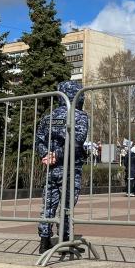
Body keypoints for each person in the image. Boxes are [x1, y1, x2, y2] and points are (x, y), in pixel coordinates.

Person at [36, 81, 89, 253]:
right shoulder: (79, 116)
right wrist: (56, 155)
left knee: (49, 204)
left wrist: (47, 155)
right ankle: (64, 240)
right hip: (70, 169)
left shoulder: (49, 116)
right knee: (66, 205)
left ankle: (44, 242)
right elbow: (77, 142)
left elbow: (38, 140)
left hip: (51, 169)